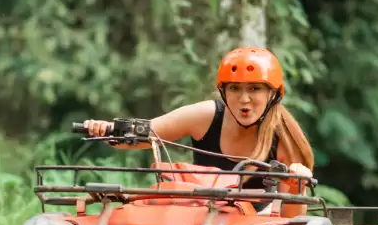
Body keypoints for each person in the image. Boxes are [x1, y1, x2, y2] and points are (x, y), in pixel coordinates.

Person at [81, 47, 315, 193]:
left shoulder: (284, 139)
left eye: (254, 88)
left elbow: (292, 221)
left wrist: (297, 187)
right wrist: (107, 130)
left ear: (272, 94)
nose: (244, 99)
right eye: (234, 88)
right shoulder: (207, 116)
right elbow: (146, 135)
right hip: (201, 216)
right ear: (224, 92)